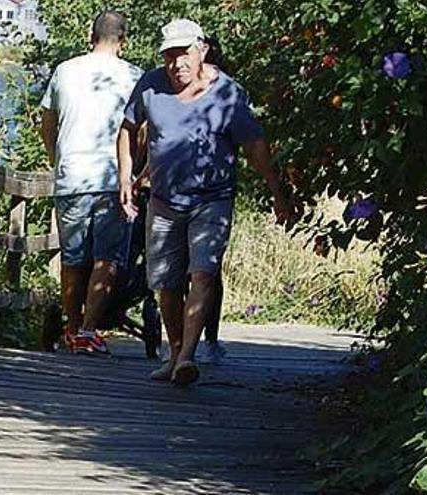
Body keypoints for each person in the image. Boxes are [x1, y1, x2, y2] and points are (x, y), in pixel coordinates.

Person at [117, 19, 296, 384]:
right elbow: (127, 127)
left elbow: (254, 146)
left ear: (202, 50)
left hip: (212, 199)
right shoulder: (150, 84)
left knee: (203, 272)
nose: (176, 63)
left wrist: (277, 191)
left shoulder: (227, 93)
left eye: (183, 54)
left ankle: (186, 356)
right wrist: (125, 176)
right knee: (165, 282)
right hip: (164, 200)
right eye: (169, 55)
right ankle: (175, 351)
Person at [41, 10, 143, 355]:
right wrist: (136, 170)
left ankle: (70, 328)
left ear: (91, 35)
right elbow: (142, 132)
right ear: (123, 40)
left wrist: (58, 159)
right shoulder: (134, 77)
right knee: (107, 258)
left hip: (72, 176)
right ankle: (88, 330)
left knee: (72, 258)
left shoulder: (64, 71)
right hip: (113, 178)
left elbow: (48, 123)